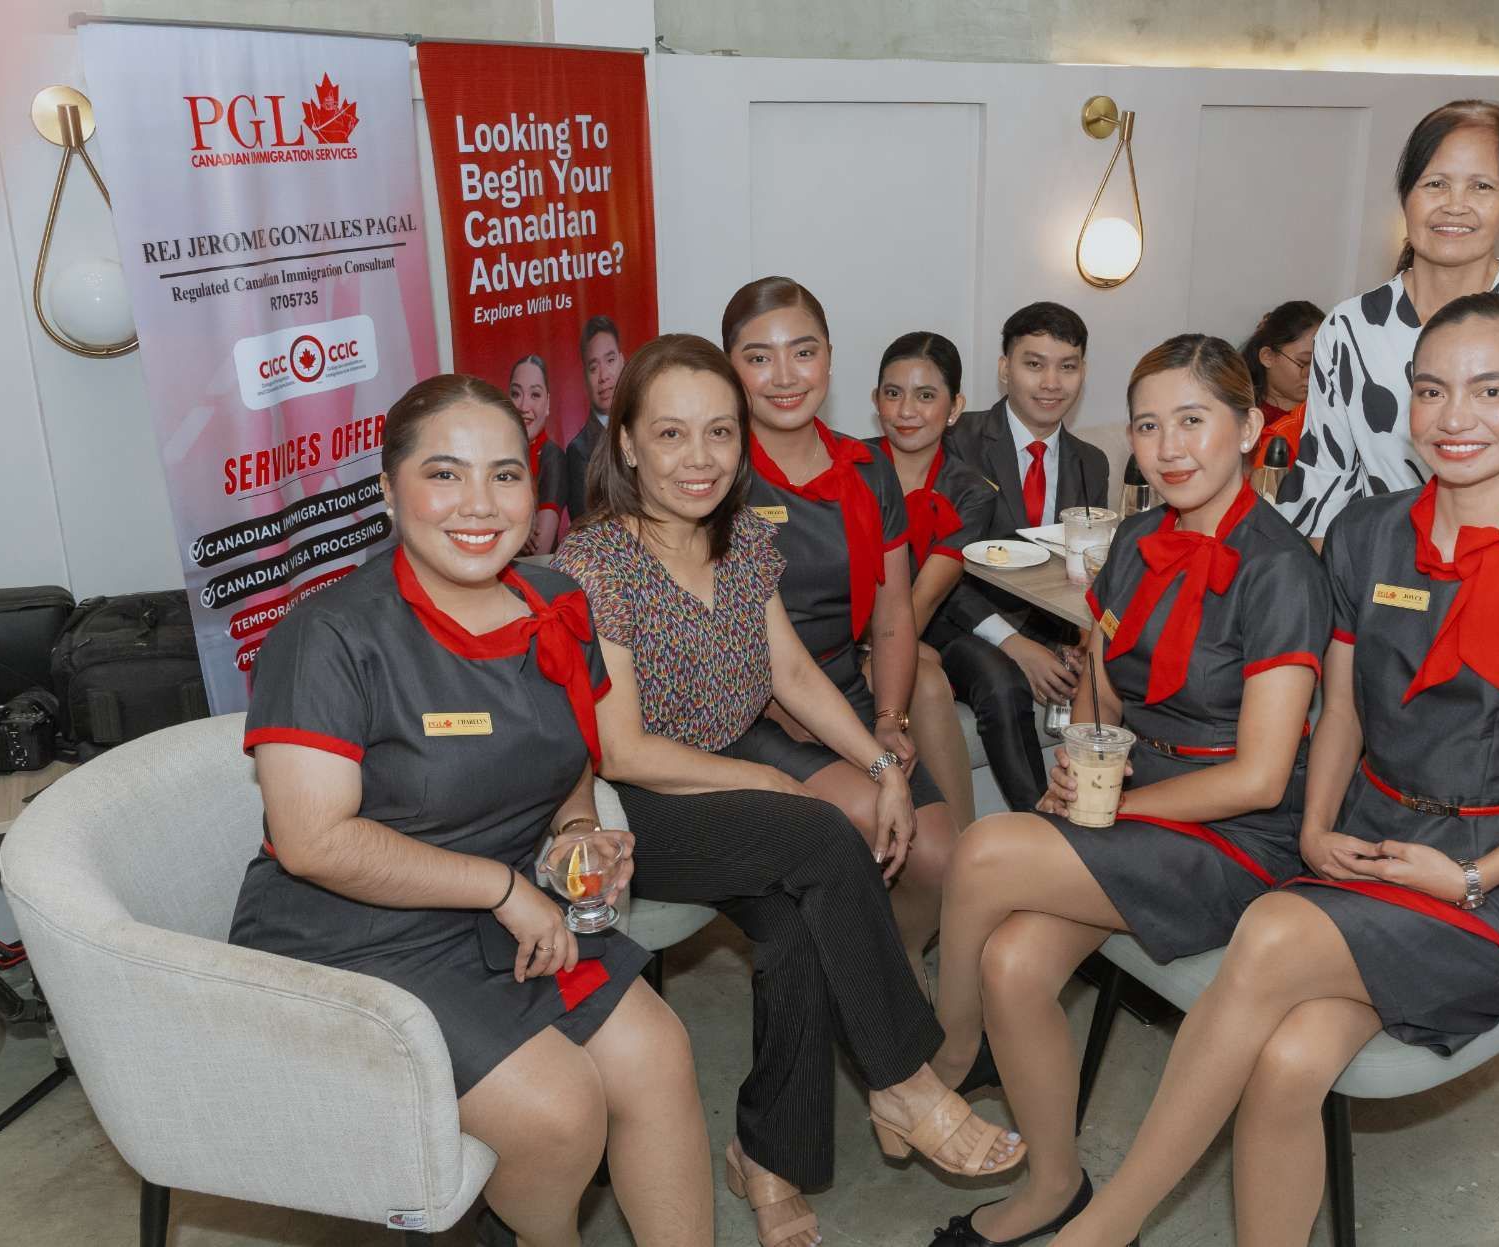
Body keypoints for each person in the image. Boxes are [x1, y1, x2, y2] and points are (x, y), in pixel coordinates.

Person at [1051, 294, 1499, 1247]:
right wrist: (1311, 826)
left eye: (1491, 390)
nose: (1453, 416)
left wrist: (1469, 877)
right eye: (1431, 390)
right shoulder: (1366, 533)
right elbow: (1338, 716)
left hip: (1497, 878)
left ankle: (1100, 1230)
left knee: (1269, 933)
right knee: (1290, 1059)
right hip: (1365, 841)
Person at [554, 335, 1023, 1247]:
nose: (699, 457)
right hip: (637, 803)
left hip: (729, 781)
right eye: (671, 434)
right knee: (819, 834)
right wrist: (774, 779)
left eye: (719, 432)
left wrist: (883, 766)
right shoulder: (596, 562)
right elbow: (622, 748)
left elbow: (795, 674)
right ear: (628, 445)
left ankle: (766, 1158)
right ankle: (903, 1078)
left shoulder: (741, 541)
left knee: (799, 926)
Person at [231, 374, 711, 1247]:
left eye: (505, 474)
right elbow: (311, 841)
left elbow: (567, 757)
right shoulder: (329, 636)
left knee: (660, 1054)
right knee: (560, 1112)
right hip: (352, 936)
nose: (480, 504)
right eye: (445, 474)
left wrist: (575, 834)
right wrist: (503, 887)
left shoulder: (557, 601)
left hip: (510, 913)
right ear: (389, 489)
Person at [929, 334, 1327, 1247]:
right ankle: (1053, 1185)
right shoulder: (1138, 537)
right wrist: (1081, 756)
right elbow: (1102, 686)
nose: (1167, 447)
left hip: (1240, 831)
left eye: (1191, 420)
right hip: (1134, 791)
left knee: (983, 848)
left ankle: (944, 1056)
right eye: (1147, 425)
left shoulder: (1280, 569)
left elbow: (1262, 775)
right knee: (1011, 962)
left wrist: (1108, 807)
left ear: (1248, 428)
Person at [721, 276, 962, 983]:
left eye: (803, 352)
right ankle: (866, 987)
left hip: (840, 689)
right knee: (871, 817)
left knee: (940, 854)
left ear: (829, 357)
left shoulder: (868, 468)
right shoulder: (717, 472)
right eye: (758, 357)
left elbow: (893, 613)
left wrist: (888, 717)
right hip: (748, 707)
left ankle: (890, 967)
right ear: (729, 367)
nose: (785, 376)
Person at [1275, 99, 1499, 543]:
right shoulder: (1351, 328)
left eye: (1481, 187)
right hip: (1387, 568)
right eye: (1435, 184)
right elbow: (1323, 487)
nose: (1455, 206)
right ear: (1405, 195)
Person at [938, 302, 1112, 811]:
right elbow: (941, 565)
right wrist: (1015, 644)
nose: (1051, 383)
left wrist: (1078, 641)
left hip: (1047, 625)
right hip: (958, 620)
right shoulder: (957, 441)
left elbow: (1083, 569)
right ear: (1004, 368)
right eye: (1034, 364)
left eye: (1068, 366)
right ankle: (1040, 822)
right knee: (1001, 682)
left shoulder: (1091, 463)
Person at [867, 331, 1000, 828]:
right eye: (893, 393)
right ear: (875, 399)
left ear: (954, 407)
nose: (906, 411)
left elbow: (919, 603)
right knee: (923, 666)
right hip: (835, 638)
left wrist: (880, 656)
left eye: (926, 395)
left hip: (898, 633)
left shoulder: (971, 492)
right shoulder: (848, 466)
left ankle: (960, 844)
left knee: (926, 673)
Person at [1239, 300, 1322, 469]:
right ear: (1268, 357)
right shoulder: (1240, 417)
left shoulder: (1327, 418)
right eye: (1304, 362)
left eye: (1321, 363)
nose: (1312, 373)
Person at [566, 316, 625, 521]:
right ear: (584, 377)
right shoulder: (579, 450)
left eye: (610, 361)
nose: (603, 376)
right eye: (593, 368)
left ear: (622, 361)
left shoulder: (644, 427)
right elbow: (585, 524)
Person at [509, 354, 565, 555]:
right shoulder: (496, 457)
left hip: (535, 571)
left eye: (534, 395)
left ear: (548, 403)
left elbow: (539, 547)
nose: (524, 407)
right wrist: (519, 531)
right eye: (516, 394)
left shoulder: (553, 457)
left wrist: (503, 528)